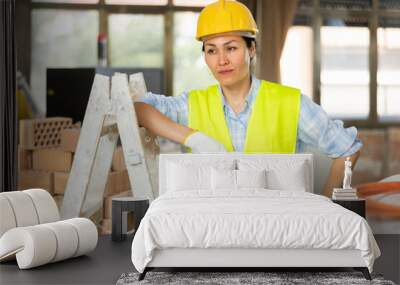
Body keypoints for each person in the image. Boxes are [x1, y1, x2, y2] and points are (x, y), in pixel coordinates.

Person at [134, 0, 361, 197]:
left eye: (231, 48)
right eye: (212, 50)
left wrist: (324, 205)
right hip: (214, 227)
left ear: (251, 49)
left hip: (278, 228)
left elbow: (347, 149)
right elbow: (139, 109)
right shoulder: (193, 104)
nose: (221, 60)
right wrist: (194, 138)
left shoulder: (290, 103)